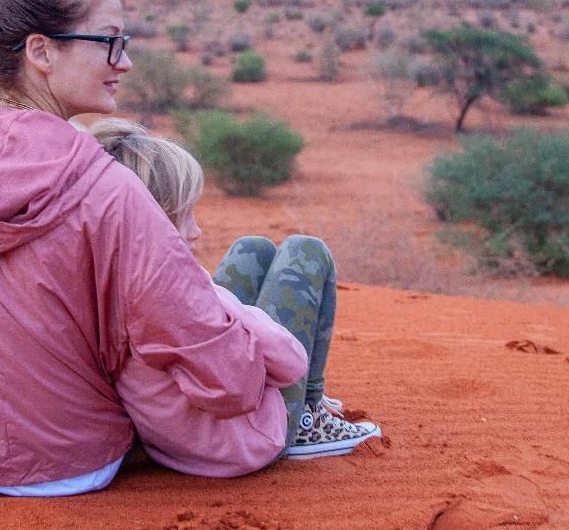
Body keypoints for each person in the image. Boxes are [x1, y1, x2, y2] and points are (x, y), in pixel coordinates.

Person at [0, 0, 369, 496]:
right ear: (41, 51)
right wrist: (255, 340)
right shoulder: (109, 189)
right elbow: (222, 377)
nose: (125, 61)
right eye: (110, 43)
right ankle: (310, 418)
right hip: (68, 467)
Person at [87, 118, 380, 470]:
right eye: (184, 217)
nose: (197, 230)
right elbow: (290, 362)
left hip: (169, 438)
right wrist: (238, 313)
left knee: (252, 249)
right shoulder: (176, 293)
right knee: (307, 251)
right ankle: (307, 416)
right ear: (155, 219)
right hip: (239, 443)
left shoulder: (104, 275)